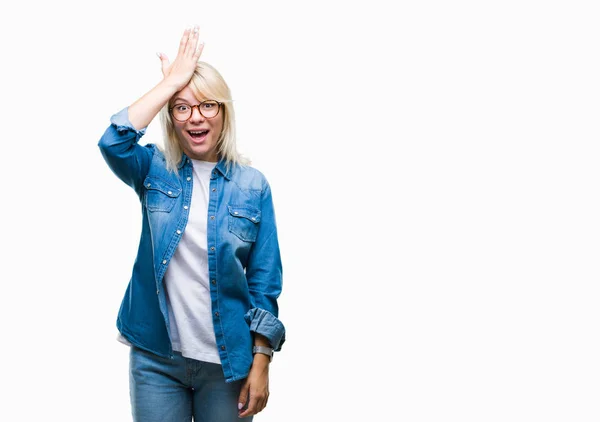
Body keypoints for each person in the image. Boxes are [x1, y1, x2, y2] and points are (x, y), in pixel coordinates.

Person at [97, 26, 285, 421]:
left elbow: (264, 282)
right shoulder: (153, 169)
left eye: (207, 106)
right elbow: (113, 141)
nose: (195, 117)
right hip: (156, 360)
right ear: (171, 116)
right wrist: (170, 84)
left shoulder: (253, 186)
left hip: (228, 365)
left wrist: (262, 359)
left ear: (224, 112)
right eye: (182, 107)